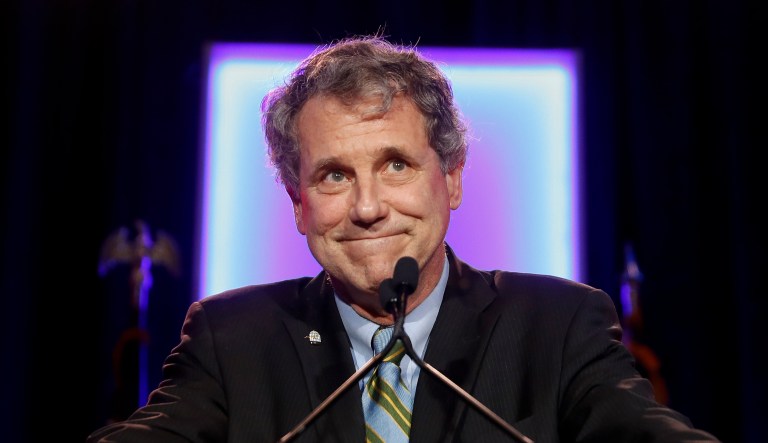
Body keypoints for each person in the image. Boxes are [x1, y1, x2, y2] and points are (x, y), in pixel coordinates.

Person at [87, 34, 720, 442]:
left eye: (396, 165)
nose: (367, 208)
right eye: (334, 175)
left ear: (451, 180)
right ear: (298, 205)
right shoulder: (232, 338)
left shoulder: (556, 326)